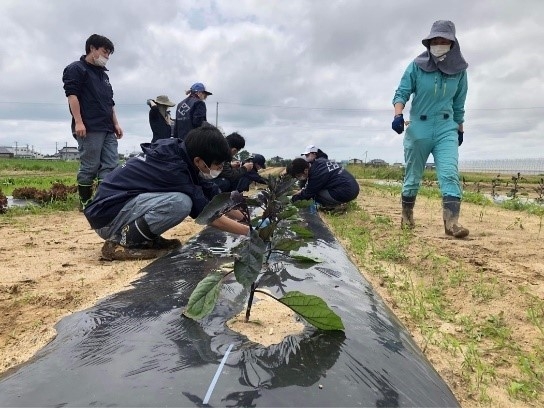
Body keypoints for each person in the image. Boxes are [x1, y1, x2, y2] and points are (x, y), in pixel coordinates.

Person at [83, 123, 251, 261]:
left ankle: (143, 239)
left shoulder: (181, 153)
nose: (219, 170)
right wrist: (249, 233)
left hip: (120, 207)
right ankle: (121, 243)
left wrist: (244, 217)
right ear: (199, 161)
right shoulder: (174, 168)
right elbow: (206, 214)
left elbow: (212, 193)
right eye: (218, 165)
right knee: (181, 203)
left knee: (184, 199)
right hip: (107, 218)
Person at [391, 20, 469, 238]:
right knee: (413, 175)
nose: (439, 43)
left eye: (444, 40)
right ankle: (407, 217)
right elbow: (402, 92)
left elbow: (459, 104)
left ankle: (451, 225)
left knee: (449, 173)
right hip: (419, 127)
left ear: (453, 44)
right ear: (429, 42)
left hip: (446, 128)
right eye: (435, 40)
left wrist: (459, 129)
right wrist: (398, 114)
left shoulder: (460, 72)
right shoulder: (417, 66)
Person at [62, 34, 123, 210]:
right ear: (92, 49)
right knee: (90, 165)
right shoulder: (76, 69)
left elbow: (109, 102)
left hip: (107, 126)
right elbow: (72, 96)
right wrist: (79, 122)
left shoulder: (104, 76)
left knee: (111, 164)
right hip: (89, 126)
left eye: (109, 54)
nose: (107, 57)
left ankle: (104, 201)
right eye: (105, 52)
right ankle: (85, 202)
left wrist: (116, 124)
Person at [288, 157, 359, 210]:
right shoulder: (320, 161)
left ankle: (335, 206)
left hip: (347, 192)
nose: (298, 178)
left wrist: (293, 199)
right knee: (316, 189)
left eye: (298, 176)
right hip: (352, 186)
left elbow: (307, 194)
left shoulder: (316, 175)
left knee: (315, 195)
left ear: (305, 170)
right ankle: (339, 201)